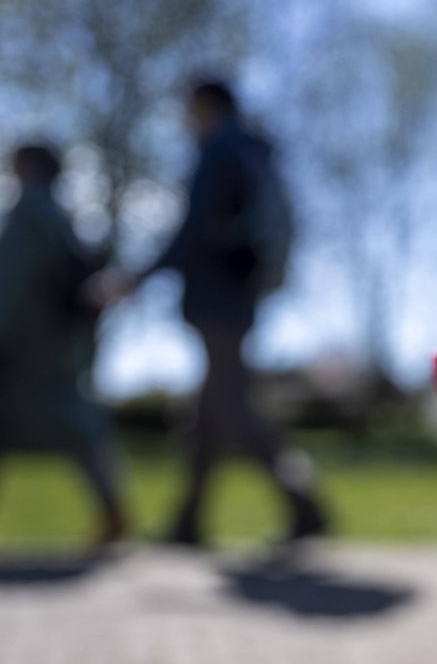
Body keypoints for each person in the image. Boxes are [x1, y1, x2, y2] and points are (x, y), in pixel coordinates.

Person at [136, 77, 327, 546]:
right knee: (209, 412)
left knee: (231, 407)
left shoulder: (220, 151)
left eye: (188, 108)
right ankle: (188, 523)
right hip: (236, 298)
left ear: (205, 104)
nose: (184, 119)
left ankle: (305, 505)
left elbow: (194, 231)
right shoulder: (247, 151)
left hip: (219, 299)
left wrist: (138, 275)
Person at [0, 143, 126, 552]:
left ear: (25, 166)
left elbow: (9, 283)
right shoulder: (57, 218)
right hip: (46, 348)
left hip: (17, 346)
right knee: (24, 427)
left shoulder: (29, 214)